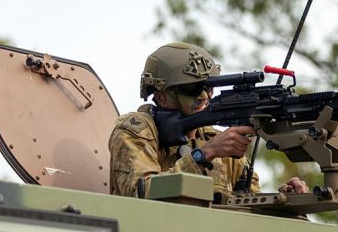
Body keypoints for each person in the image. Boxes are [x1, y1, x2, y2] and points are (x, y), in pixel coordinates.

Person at [108, 41, 307, 200]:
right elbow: (139, 192)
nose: (204, 96)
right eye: (191, 90)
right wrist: (204, 154)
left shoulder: (218, 141)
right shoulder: (136, 131)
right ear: (161, 96)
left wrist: (284, 198)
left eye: (208, 87)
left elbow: (247, 202)